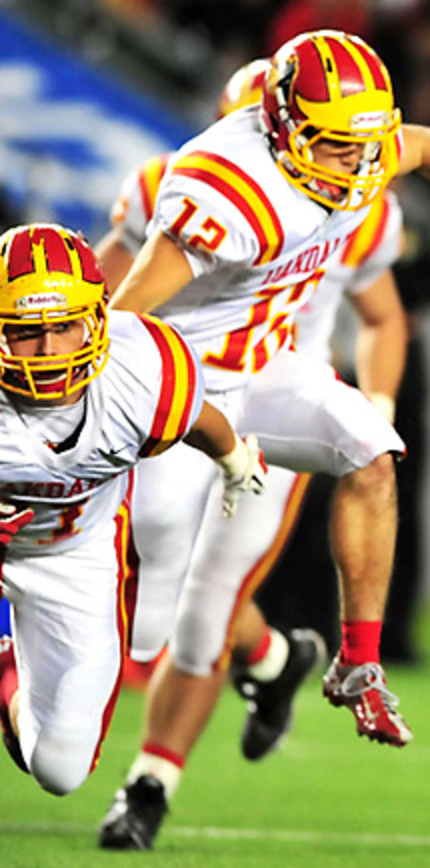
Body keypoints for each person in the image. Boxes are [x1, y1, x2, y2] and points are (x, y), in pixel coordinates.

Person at [95, 29, 430, 851]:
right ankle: (278, 660)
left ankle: (189, 760)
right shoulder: (213, 188)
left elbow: (420, 151)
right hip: (182, 394)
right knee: (152, 611)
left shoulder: (351, 166)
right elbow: (121, 305)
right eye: (330, 146)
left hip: (278, 375)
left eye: (360, 148)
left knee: (351, 468)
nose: (353, 168)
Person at [0, 223, 265, 796]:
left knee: (59, 769)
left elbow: (198, 420)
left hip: (75, 556)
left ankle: (6, 678)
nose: (48, 352)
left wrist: (235, 459)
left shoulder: (143, 369)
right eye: (27, 333)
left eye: (66, 327)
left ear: (97, 318)